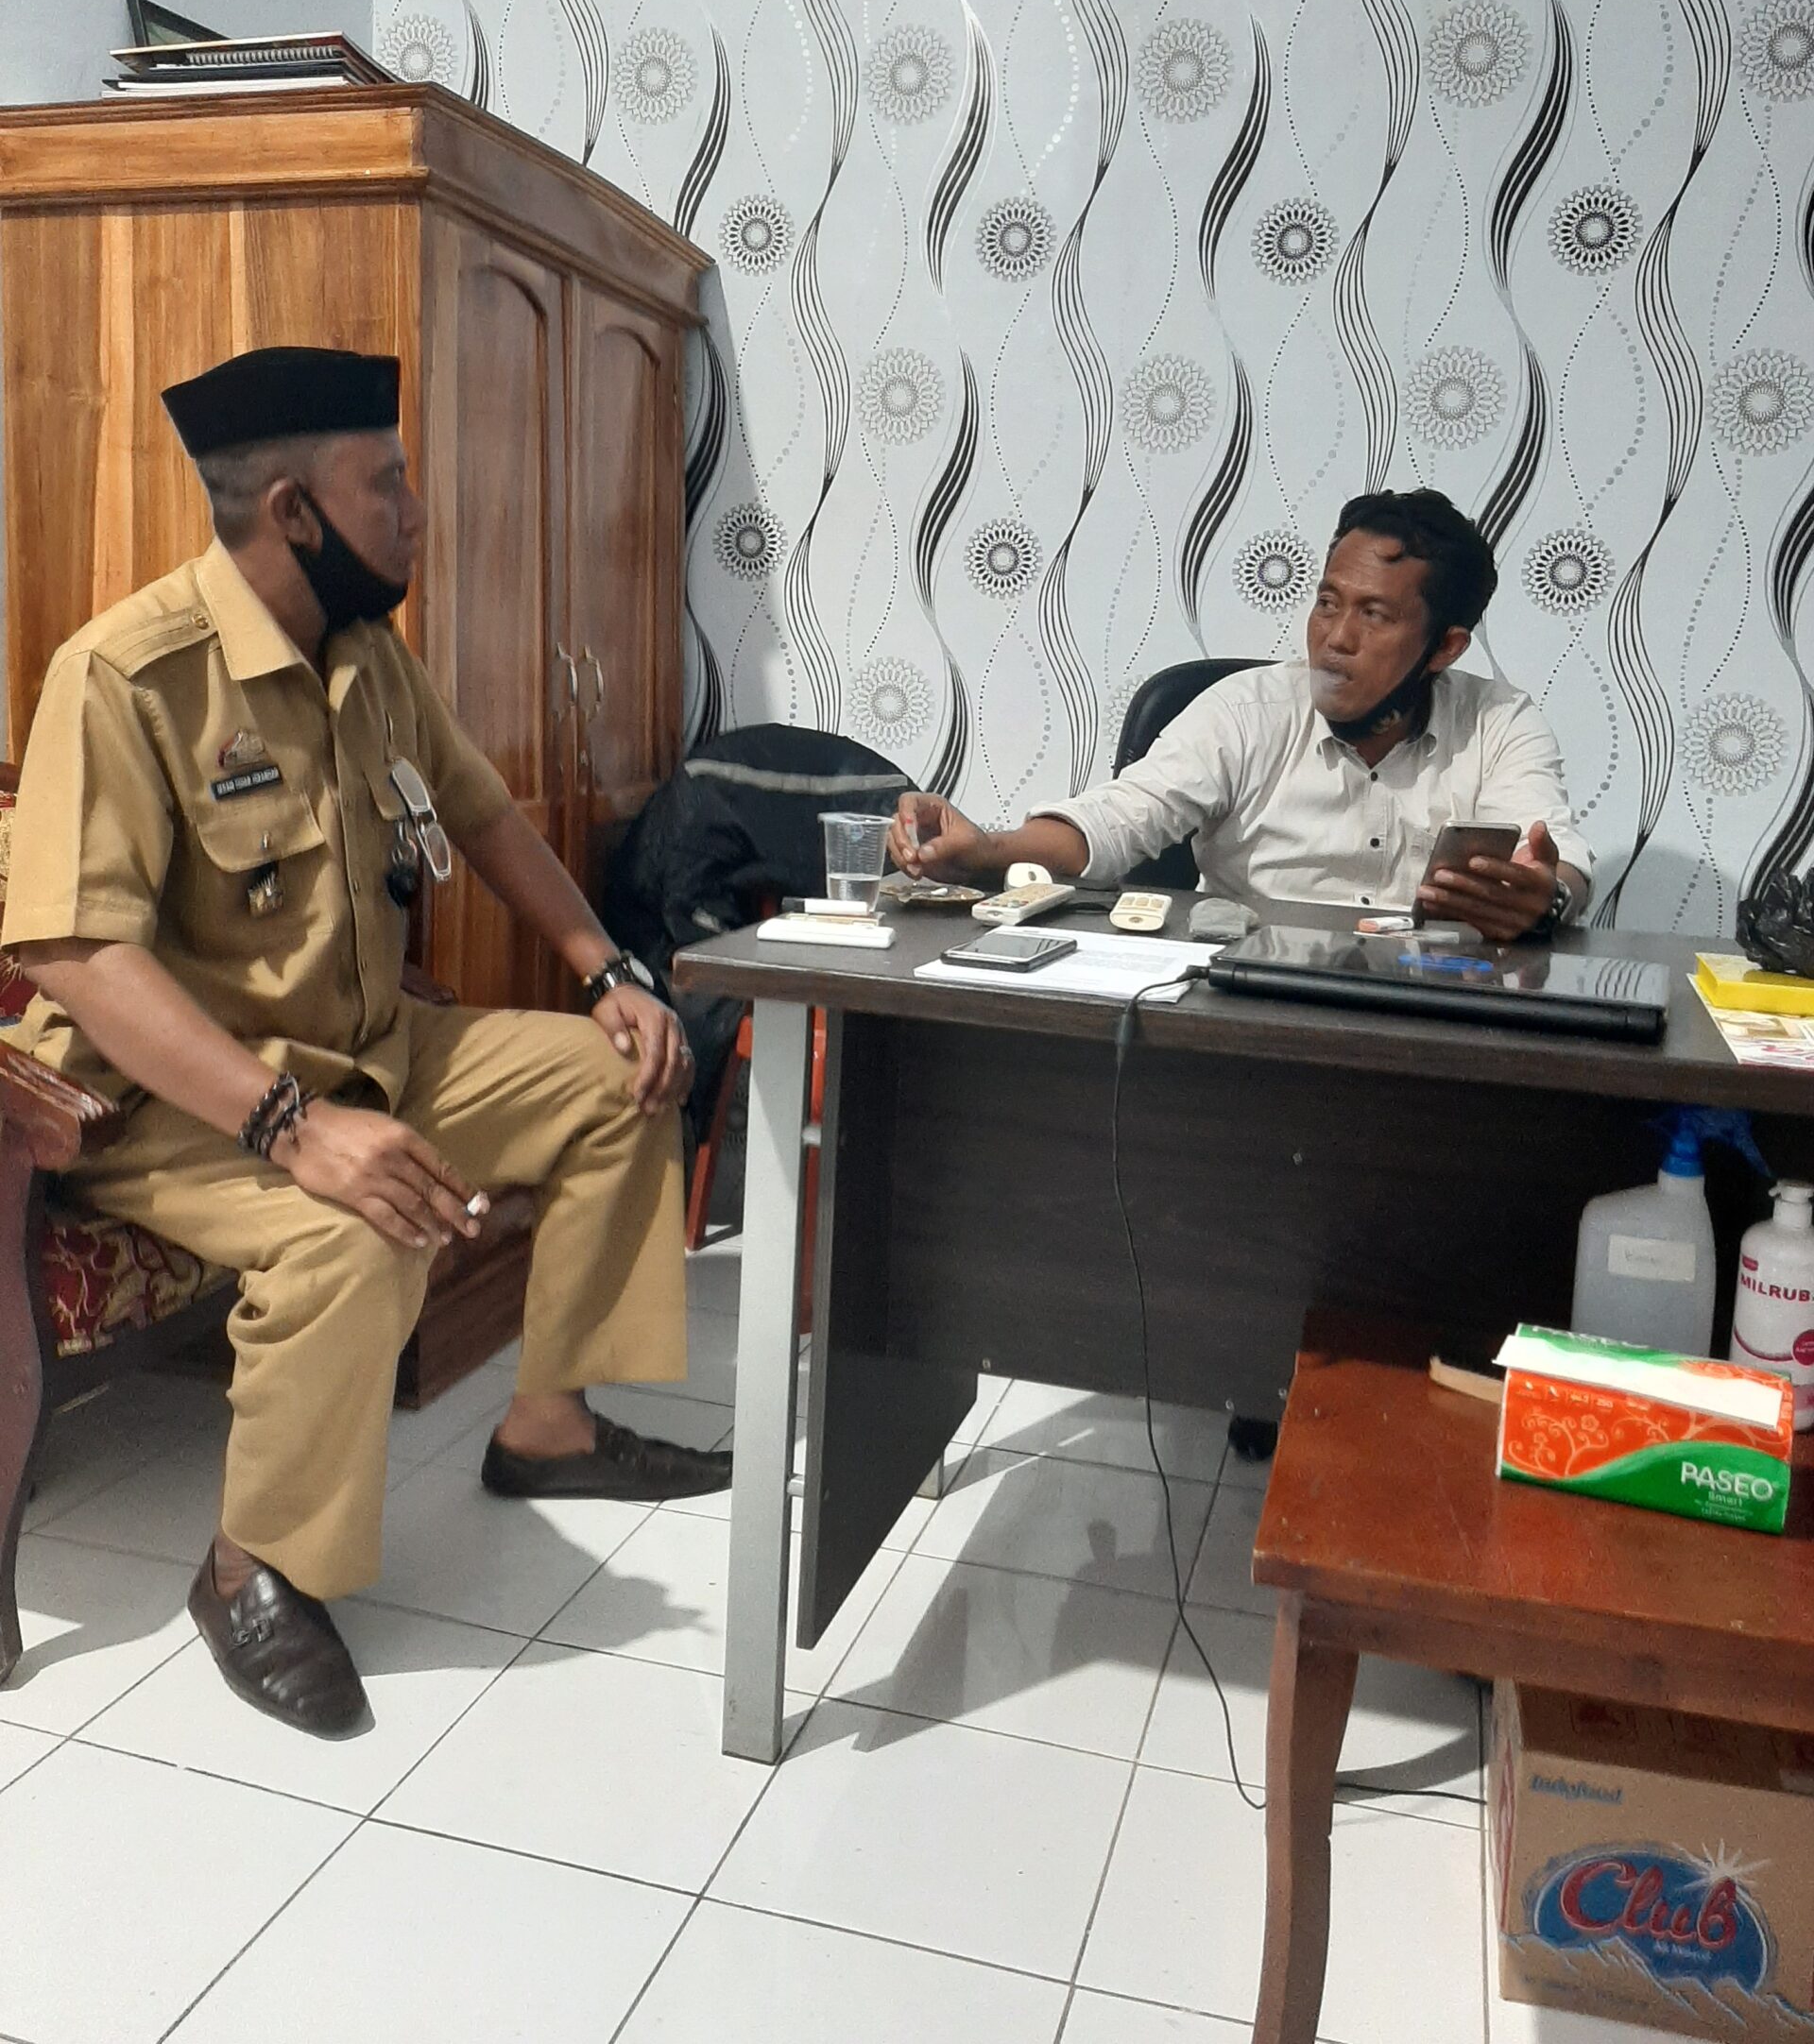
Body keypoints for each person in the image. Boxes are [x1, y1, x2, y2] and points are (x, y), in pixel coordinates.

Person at [2, 346, 728, 1739]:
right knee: (354, 1228)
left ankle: (550, 1428)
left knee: (621, 1076)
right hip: (168, 1100)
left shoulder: (367, 654)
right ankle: (252, 1569)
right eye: (385, 483)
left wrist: (608, 971)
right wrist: (290, 1126)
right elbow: (75, 955)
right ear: (293, 511)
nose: (416, 510)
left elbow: (483, 812)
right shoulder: (130, 674)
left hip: (371, 1048)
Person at [892, 488, 1591, 939]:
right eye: (1327, 603)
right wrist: (986, 852)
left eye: (1375, 615)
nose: (1336, 638)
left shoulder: (1499, 724)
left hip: (1427, 1011)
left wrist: (1541, 897)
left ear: (1445, 647)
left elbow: (1555, 858)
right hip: (1252, 997)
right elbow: (1117, 820)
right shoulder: (1248, 710)